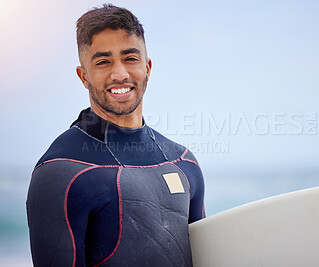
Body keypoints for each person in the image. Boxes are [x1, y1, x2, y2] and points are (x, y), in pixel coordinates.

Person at [26, 4, 205, 267]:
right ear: (83, 76)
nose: (119, 74)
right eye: (103, 62)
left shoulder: (184, 163)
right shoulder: (61, 172)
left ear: (148, 67)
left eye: (130, 58)